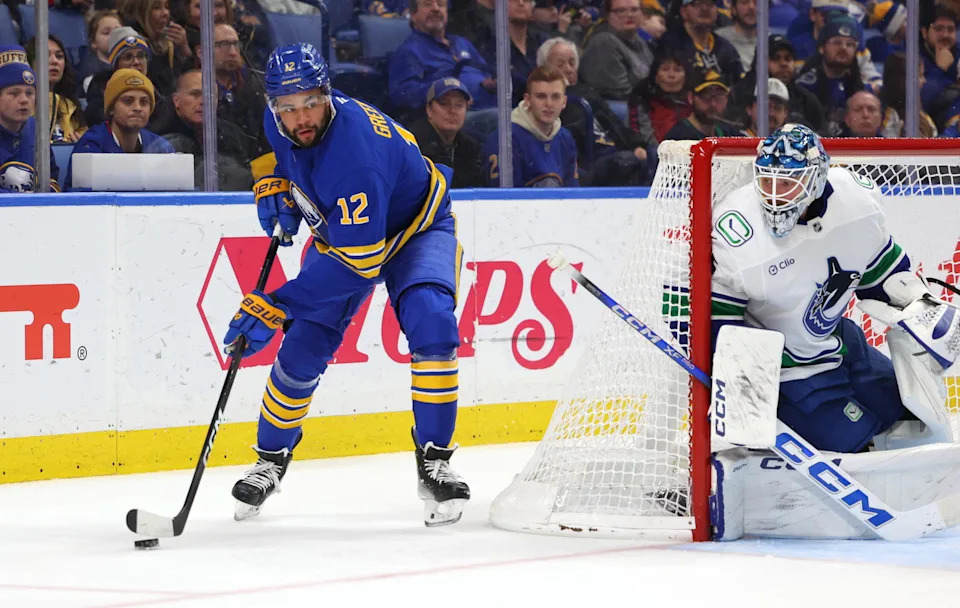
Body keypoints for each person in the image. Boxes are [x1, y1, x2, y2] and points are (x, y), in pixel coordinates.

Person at [226, 43, 470, 526]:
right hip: (345, 234)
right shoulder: (278, 121)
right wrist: (278, 184)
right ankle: (269, 460)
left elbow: (360, 263)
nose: (301, 117)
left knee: (433, 324)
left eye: (311, 102)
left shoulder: (356, 157)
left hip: (417, 228)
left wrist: (278, 303)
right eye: (288, 107)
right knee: (302, 347)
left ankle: (435, 460)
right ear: (273, 105)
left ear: (328, 94)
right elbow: (283, 155)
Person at [711, 123, 959, 454]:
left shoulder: (855, 203)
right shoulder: (738, 229)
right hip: (787, 370)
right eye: (767, 181)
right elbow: (715, 319)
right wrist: (740, 385)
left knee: (906, 415)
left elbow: (882, 277)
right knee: (857, 444)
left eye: (786, 183)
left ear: (815, 179)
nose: (773, 195)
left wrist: (919, 304)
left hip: (843, 346)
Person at [541, 37, 650, 185]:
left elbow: (615, 123)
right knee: (626, 161)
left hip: (616, 153)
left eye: (572, 63)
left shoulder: (588, 92)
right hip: (590, 164)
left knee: (654, 154)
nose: (568, 69)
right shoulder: (547, 103)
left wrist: (637, 145)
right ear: (543, 69)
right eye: (560, 65)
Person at [65, 70, 175, 189]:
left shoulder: (161, 148)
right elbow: (82, 197)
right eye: (128, 101)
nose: (138, 108)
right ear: (111, 108)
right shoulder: (90, 146)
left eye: (144, 102)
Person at [388, 0, 497, 118]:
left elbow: (487, 72)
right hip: (454, 116)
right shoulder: (410, 51)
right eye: (428, 4)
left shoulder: (461, 43)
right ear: (413, 15)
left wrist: (491, 83)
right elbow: (401, 94)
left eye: (440, 4)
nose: (435, 8)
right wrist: (445, 88)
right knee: (499, 119)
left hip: (491, 105)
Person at [155, 70, 254, 191]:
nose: (203, 101)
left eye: (210, 96)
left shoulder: (232, 134)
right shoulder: (159, 136)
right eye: (195, 94)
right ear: (176, 100)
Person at [482, 66, 578, 187]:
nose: (549, 104)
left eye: (555, 97)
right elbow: (505, 196)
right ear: (527, 100)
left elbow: (572, 193)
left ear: (564, 102)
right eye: (541, 96)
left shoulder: (566, 139)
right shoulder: (505, 140)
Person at [0, 46, 60, 193]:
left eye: (29, 93)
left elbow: (53, 179)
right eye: (14, 93)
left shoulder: (37, 129)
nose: (24, 100)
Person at [84, 27, 171, 128]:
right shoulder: (100, 89)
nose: (136, 62)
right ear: (116, 65)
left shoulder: (161, 82)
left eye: (141, 56)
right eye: (128, 57)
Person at [408, 78, 484, 188]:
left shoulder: (471, 148)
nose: (452, 111)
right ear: (429, 110)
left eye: (459, 105)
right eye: (444, 104)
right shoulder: (413, 145)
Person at [795, 14, 863, 136]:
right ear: (822, 48)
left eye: (850, 44)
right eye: (837, 42)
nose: (844, 48)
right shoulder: (805, 87)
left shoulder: (860, 91)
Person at [209, 23, 270, 157]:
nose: (233, 52)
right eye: (224, 45)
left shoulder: (256, 85)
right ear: (202, 52)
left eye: (236, 45)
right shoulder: (197, 89)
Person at [578, 0, 654, 101]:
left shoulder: (638, 39)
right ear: (608, 15)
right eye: (621, 10)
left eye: (634, 9)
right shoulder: (604, 43)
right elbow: (618, 95)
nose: (629, 15)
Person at [658, 0, 743, 87]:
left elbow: (740, 86)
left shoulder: (726, 48)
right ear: (683, 11)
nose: (704, 8)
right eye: (697, 3)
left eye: (710, 3)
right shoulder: (670, 45)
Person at [27, 35, 87, 144]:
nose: (54, 61)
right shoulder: (21, 105)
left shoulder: (72, 108)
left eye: (59, 56)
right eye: (45, 55)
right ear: (29, 62)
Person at [628, 51, 691, 143]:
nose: (671, 75)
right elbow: (644, 137)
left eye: (677, 70)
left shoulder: (695, 99)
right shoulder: (642, 98)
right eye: (665, 69)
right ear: (656, 77)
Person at [662, 70, 737, 140]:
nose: (713, 104)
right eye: (706, 96)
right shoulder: (677, 139)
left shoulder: (729, 134)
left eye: (719, 97)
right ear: (691, 97)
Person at [880, 52, 937, 138]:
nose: (924, 81)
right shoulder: (884, 117)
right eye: (920, 76)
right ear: (903, 80)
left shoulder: (922, 116)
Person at [79, 10, 123, 91]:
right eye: (106, 33)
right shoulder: (91, 74)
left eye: (118, 31)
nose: (114, 35)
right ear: (93, 42)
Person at [715, 0, 757, 69]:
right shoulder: (716, 40)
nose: (751, 7)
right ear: (734, 9)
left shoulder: (769, 41)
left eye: (757, 3)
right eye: (745, 2)